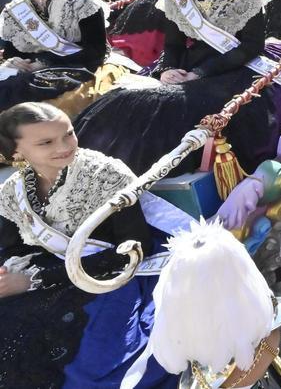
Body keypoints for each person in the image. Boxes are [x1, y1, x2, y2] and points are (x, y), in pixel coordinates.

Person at [75, 0, 281, 176]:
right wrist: (168, 69)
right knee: (124, 100)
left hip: (235, 65)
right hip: (188, 62)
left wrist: (200, 73)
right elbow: (173, 43)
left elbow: (251, 45)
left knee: (182, 106)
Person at [0, 102, 169, 388]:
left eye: (68, 134)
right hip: (49, 275)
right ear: (16, 152)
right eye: (46, 142)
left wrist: (36, 280)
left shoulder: (107, 174)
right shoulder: (12, 191)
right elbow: (12, 247)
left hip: (109, 280)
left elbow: (134, 249)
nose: (64, 146)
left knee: (84, 363)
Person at [0, 0, 112, 113]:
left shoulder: (81, 2)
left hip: (81, 66)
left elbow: (96, 51)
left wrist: (45, 62)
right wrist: (15, 61)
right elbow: (14, 52)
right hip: (31, 71)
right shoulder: (13, 12)